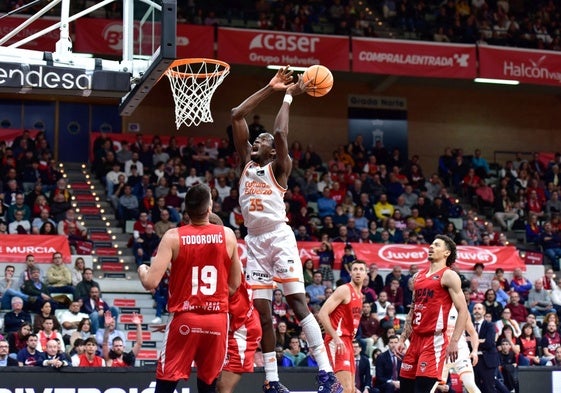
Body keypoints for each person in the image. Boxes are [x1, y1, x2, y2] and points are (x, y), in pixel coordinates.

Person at [231, 66, 341, 393]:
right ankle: (272, 381)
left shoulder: (281, 167)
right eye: (257, 139)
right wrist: (271, 86)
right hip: (254, 243)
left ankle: (325, 373)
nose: (258, 141)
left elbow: (279, 135)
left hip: (279, 237)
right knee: (263, 314)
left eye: (262, 140)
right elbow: (237, 114)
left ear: (272, 152)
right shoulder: (246, 163)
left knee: (297, 304)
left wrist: (289, 96)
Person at [137, 184, 242, 393]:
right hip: (217, 320)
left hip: (185, 318)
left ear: (186, 210)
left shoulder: (173, 236)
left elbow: (150, 282)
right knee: (208, 386)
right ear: (209, 208)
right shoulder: (228, 235)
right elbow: (234, 285)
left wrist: (142, 269)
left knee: (166, 384)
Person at [397, 235, 468, 393]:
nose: (431, 247)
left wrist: (454, 341)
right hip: (415, 339)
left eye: (436, 245)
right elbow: (412, 310)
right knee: (405, 389)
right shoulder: (418, 276)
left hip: (433, 340)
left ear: (446, 253)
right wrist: (402, 339)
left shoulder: (449, 275)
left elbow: (463, 310)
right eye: (431, 244)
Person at [318, 260, 367, 393]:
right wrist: (335, 337)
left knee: (351, 389)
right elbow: (322, 313)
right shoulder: (344, 290)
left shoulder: (360, 296)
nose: (358, 272)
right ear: (350, 272)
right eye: (355, 269)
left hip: (348, 342)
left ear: (365, 274)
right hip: (337, 341)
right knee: (343, 389)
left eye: (361, 269)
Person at [441, 306, 481, 393]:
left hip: (460, 353)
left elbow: (473, 333)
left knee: (470, 384)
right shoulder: (435, 307)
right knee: (431, 387)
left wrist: (474, 351)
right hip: (441, 353)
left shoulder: (461, 309)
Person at [471, 303, 500, 393]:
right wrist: (481, 340)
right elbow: (465, 342)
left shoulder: (490, 325)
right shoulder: (469, 326)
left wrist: (473, 340)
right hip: (473, 361)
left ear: (484, 312)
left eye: (479, 308)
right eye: (475, 308)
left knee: (489, 388)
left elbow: (489, 343)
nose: (476, 310)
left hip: (487, 361)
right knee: (473, 388)